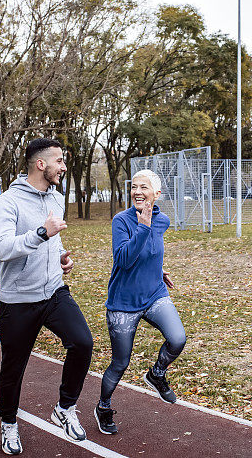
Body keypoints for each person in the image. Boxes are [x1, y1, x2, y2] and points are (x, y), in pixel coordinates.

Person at [0, 138, 93, 455]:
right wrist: (40, 233)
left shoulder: (57, 199)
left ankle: (65, 408)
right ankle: (9, 425)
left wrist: (61, 256)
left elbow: (52, 240)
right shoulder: (8, 202)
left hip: (53, 292)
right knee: (13, 369)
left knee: (83, 342)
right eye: (59, 161)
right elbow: (3, 248)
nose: (63, 167)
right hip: (18, 299)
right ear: (41, 164)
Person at [93, 169, 186, 435]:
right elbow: (123, 259)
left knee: (177, 339)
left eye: (144, 187)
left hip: (154, 293)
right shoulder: (121, 221)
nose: (137, 192)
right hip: (124, 302)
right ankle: (103, 407)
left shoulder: (163, 220)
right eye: (134, 187)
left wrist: (158, 270)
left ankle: (156, 374)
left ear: (157, 194)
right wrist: (142, 227)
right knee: (120, 363)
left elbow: (152, 251)